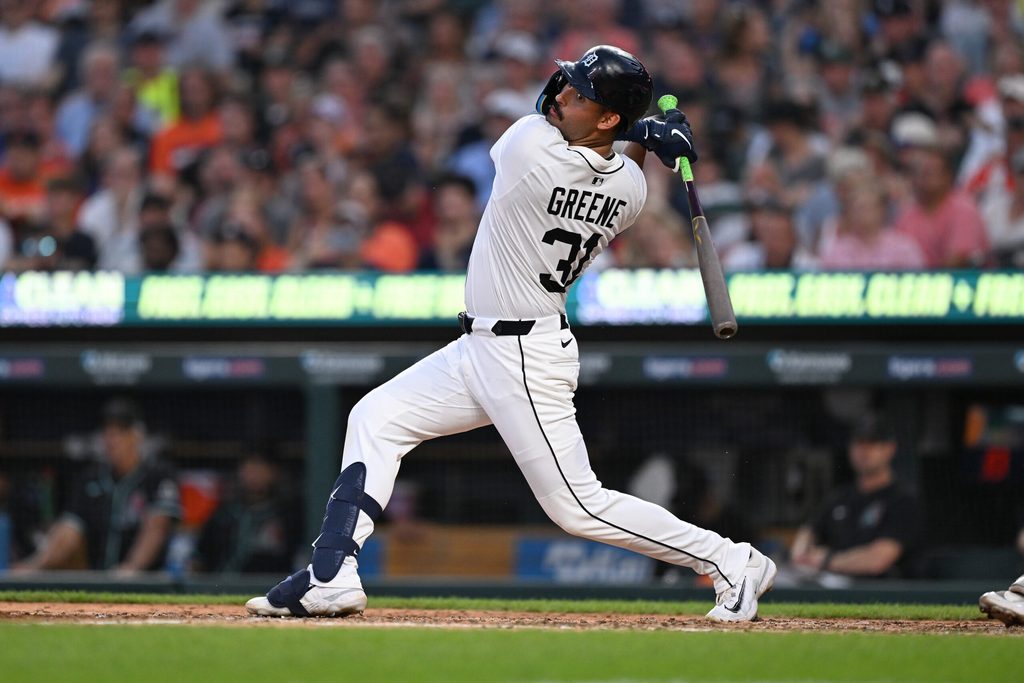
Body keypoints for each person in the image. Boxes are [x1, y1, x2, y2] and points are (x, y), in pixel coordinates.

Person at [246, 45, 776, 622]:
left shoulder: (528, 144)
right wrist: (643, 138)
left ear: (605, 119)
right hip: (485, 347)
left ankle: (732, 560)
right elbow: (610, 166)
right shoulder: (633, 191)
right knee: (376, 417)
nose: (562, 95)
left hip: (523, 354)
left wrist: (642, 133)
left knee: (577, 507)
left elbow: (579, 150)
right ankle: (331, 574)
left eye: (581, 95)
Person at [13, 398, 180, 574]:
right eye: (108, 432)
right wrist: (34, 565)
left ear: (136, 435)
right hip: (101, 581)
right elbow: (68, 531)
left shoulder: (158, 474)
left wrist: (132, 567)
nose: (112, 440)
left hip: (148, 584)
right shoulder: (91, 478)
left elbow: (157, 526)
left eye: (120, 432)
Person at [790, 414, 922, 578]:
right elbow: (809, 530)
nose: (863, 451)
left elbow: (878, 560)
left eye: (872, 444)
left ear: (889, 449)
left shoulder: (902, 501)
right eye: (859, 443)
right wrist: (801, 552)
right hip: (832, 586)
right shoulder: (840, 497)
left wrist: (827, 560)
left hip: (879, 593)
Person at [193, 451, 302, 574]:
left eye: (261, 468)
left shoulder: (288, 517)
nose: (254, 476)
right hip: (220, 588)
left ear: (274, 472)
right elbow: (199, 559)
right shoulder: (223, 515)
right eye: (249, 468)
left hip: (269, 589)